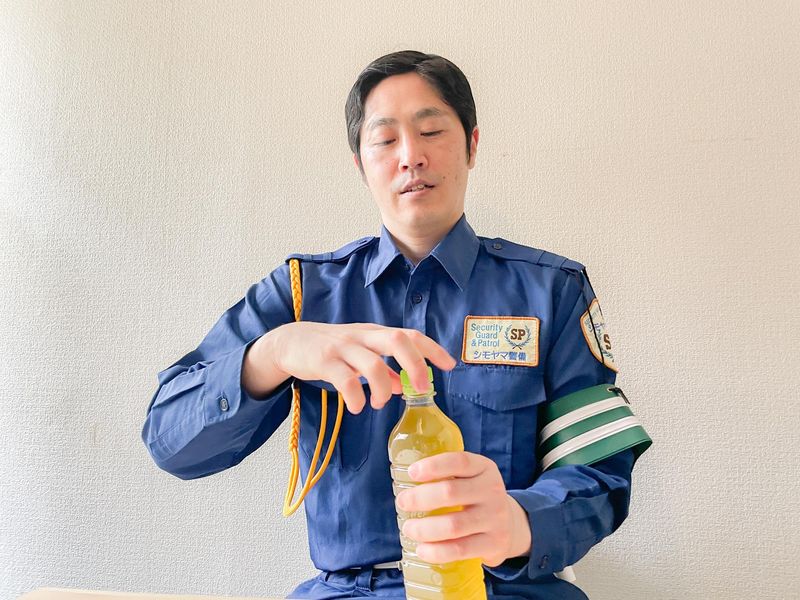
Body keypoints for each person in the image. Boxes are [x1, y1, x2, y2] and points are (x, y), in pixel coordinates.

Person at [142, 50, 649, 600]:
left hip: (505, 589)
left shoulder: (552, 291)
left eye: (431, 131)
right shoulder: (300, 294)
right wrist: (273, 354)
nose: (411, 156)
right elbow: (170, 441)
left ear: (472, 145)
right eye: (385, 140)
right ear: (360, 165)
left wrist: (519, 521)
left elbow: (601, 473)